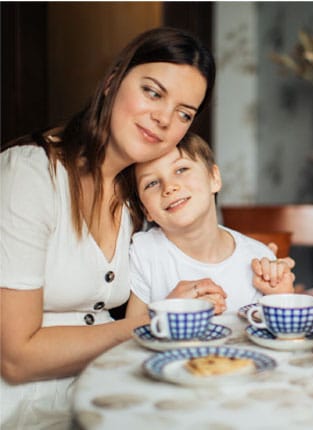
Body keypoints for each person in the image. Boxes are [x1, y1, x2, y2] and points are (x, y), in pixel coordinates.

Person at [0, 27, 220, 429]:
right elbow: (15, 359)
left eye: (185, 113)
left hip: (106, 394)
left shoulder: (137, 193)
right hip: (25, 409)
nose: (164, 119)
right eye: (153, 92)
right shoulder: (29, 174)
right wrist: (144, 326)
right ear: (112, 81)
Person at [124, 133, 295, 317]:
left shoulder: (260, 259)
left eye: (181, 170)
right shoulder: (145, 253)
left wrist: (282, 298)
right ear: (145, 210)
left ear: (214, 178)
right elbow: (129, 336)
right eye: (152, 183)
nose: (169, 187)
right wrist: (170, 310)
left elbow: (279, 337)